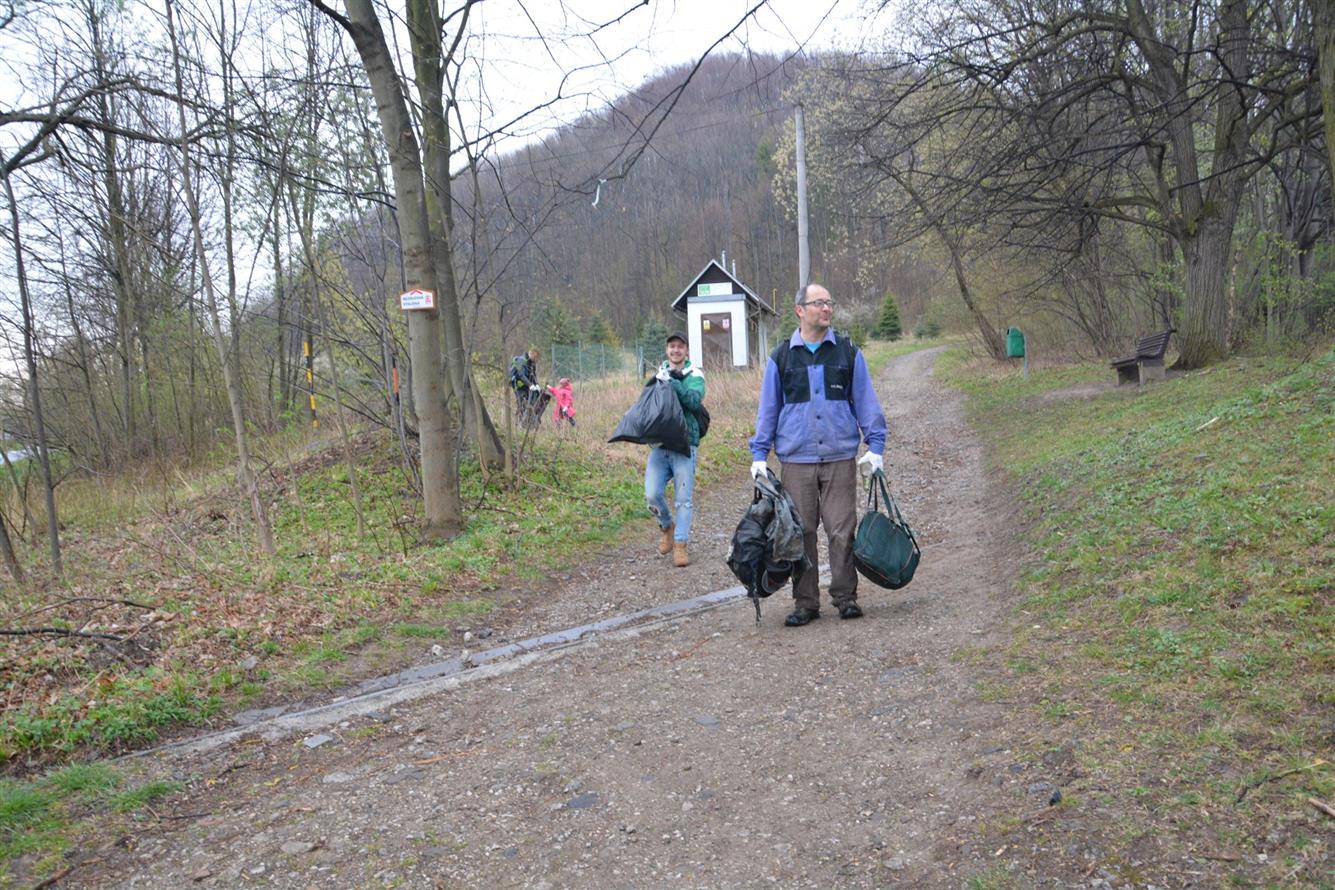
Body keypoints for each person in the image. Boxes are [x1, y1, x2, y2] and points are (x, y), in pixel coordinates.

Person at [749, 283, 887, 626]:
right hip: (797, 461)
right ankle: (806, 602)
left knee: (842, 530)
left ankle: (845, 597)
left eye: (829, 302)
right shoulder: (782, 358)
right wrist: (759, 454)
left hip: (839, 457)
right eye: (819, 303)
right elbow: (768, 409)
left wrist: (876, 447)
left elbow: (866, 402)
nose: (826, 308)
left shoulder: (847, 353)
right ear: (800, 310)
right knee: (802, 532)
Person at [645, 332, 706, 568]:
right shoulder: (659, 374)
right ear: (666, 350)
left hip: (685, 445)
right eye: (672, 346)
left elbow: (693, 400)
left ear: (686, 351)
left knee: (683, 499)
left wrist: (674, 382)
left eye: (680, 346)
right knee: (652, 494)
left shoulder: (695, 375)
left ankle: (680, 544)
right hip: (661, 445)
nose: (676, 350)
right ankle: (666, 526)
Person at [509, 348, 542, 429]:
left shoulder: (532, 363)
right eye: (536, 358)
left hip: (526, 386)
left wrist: (537, 385)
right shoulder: (521, 360)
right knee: (521, 403)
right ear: (531, 354)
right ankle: (520, 423)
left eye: (537, 358)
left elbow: (533, 375)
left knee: (531, 403)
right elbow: (521, 375)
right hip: (518, 386)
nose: (536, 360)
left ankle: (528, 422)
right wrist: (530, 385)